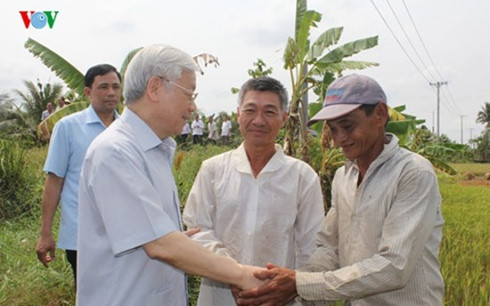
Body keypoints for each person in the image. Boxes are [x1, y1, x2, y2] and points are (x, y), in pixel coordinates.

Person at [76, 44, 265, 305]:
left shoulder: (156, 149)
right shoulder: (115, 152)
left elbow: (157, 236)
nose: (193, 106)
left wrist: (178, 242)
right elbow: (160, 245)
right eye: (189, 94)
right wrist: (242, 275)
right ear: (154, 88)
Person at [236, 74, 445, 305]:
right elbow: (330, 248)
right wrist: (291, 284)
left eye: (347, 126)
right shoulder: (343, 177)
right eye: (333, 129)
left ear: (380, 114)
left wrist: (299, 283)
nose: (339, 139)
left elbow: (394, 267)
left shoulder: (412, 173)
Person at [183, 76, 325, 306]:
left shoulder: (302, 177)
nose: (258, 120)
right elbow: (197, 230)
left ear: (284, 118)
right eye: (250, 110)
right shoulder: (213, 170)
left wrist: (289, 287)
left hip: (279, 300)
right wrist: (235, 274)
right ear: (238, 114)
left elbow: (312, 247)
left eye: (269, 112)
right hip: (220, 298)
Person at [36, 64, 121, 285]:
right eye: (103, 87)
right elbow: (54, 181)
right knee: (89, 295)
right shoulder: (68, 127)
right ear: (87, 92)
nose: (111, 93)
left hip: (123, 235)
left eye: (115, 87)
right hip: (81, 236)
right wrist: (45, 233)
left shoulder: (128, 130)